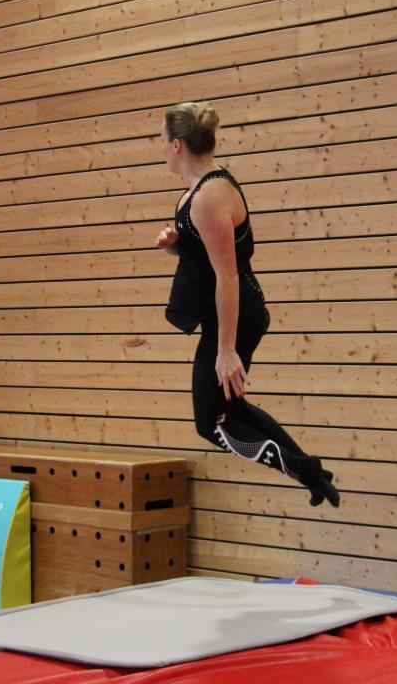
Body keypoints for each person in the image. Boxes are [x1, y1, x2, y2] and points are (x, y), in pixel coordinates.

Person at [157, 102, 339, 507]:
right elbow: (208, 258)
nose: (161, 146)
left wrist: (226, 350)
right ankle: (309, 471)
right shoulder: (198, 191)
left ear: (177, 145)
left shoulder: (209, 196)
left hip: (236, 317)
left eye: (162, 139)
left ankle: (301, 468)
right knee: (232, 410)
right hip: (228, 316)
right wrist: (176, 246)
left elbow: (228, 276)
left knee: (211, 422)